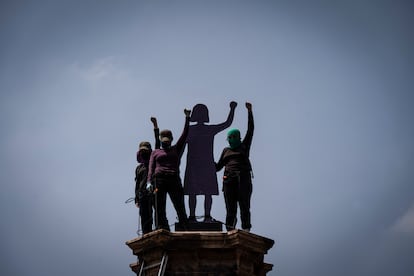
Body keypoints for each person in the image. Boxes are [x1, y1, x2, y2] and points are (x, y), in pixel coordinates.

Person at [184, 102, 237, 222]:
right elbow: (227, 123)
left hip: (195, 165)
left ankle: (194, 217)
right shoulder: (207, 129)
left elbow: (181, 146)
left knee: (196, 192)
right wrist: (232, 109)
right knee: (205, 192)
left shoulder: (190, 129)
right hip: (205, 165)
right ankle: (205, 216)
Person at [147, 109, 191, 231]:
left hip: (173, 179)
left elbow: (185, 134)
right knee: (159, 206)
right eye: (164, 140)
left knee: (179, 205)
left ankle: (184, 226)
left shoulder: (176, 149)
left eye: (168, 140)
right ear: (161, 140)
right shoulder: (156, 152)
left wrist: (187, 118)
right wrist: (149, 182)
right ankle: (162, 228)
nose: (166, 142)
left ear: (171, 139)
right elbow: (151, 167)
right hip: (159, 179)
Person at [215, 102, 254, 232]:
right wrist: (206, 161)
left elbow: (251, 130)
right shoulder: (226, 150)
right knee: (230, 208)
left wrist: (249, 111)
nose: (232, 139)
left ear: (238, 137)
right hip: (229, 180)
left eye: (234, 136)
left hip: (243, 179)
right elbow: (217, 167)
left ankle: (246, 229)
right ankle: (230, 229)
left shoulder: (244, 146)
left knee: (244, 205)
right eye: (229, 137)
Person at [134, 118, 160, 234]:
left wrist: (155, 126)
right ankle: (146, 234)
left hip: (154, 191)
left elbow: (157, 144)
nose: (144, 152)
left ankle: (160, 230)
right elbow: (137, 184)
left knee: (158, 214)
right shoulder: (139, 168)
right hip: (142, 195)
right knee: (145, 217)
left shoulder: (154, 162)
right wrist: (136, 198)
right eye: (142, 150)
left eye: (146, 150)